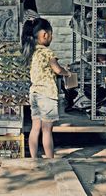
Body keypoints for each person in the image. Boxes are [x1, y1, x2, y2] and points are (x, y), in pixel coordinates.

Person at [21, 17, 71, 159]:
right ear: (44, 34)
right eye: (51, 34)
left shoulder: (30, 51)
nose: (52, 37)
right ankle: (50, 160)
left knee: (35, 127)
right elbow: (57, 70)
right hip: (47, 95)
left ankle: (34, 158)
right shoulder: (47, 52)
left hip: (35, 93)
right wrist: (67, 72)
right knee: (47, 130)